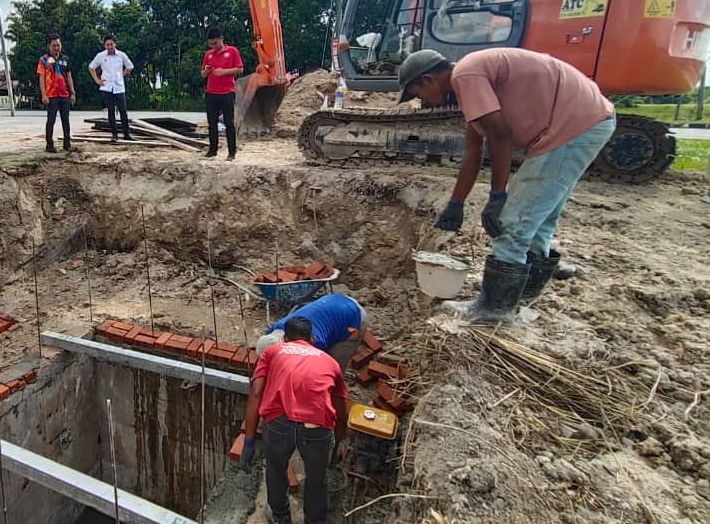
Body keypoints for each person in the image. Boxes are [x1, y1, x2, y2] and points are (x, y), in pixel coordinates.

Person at [398, 48, 616, 323]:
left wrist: (497, 196)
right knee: (539, 218)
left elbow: (500, 136)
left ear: (428, 80)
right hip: (585, 121)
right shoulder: (471, 87)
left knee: (514, 222)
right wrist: (456, 203)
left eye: (418, 95)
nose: (423, 102)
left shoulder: (467, 74)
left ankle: (493, 311)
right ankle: (521, 294)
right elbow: (473, 151)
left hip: (572, 126)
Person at [240, 317, 348, 524]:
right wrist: (339, 441)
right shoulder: (329, 361)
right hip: (317, 427)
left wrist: (248, 440)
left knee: (276, 469)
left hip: (279, 423)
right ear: (313, 339)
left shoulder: (273, 352)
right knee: (317, 480)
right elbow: (341, 408)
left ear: (286, 339)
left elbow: (256, 392)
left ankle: (281, 516)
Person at [256, 293, 366, 372]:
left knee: (333, 367)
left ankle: (334, 399)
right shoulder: (275, 329)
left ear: (286, 341)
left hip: (352, 316)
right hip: (333, 301)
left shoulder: (314, 343)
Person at [200, 27, 243, 161]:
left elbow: (240, 69)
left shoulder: (232, 51)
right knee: (211, 123)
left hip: (227, 92)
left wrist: (224, 72)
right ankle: (213, 150)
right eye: (211, 44)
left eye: (215, 43)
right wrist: (206, 71)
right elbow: (202, 74)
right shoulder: (208, 54)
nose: (213, 46)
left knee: (229, 123)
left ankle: (231, 152)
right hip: (211, 92)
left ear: (221, 39)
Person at [88, 35, 135, 142]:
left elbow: (130, 66)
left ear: (115, 44)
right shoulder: (101, 56)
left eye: (111, 44)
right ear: (105, 45)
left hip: (119, 86)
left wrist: (122, 75)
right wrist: (97, 80)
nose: (109, 47)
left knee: (123, 110)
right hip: (107, 86)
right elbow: (91, 67)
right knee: (111, 111)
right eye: (107, 45)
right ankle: (114, 134)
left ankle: (126, 133)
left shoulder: (121, 55)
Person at [37, 33, 76, 153]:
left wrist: (73, 92)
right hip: (51, 94)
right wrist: (44, 94)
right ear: (49, 46)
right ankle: (49, 144)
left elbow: (69, 76)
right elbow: (42, 78)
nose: (56, 48)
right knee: (51, 120)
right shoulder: (44, 60)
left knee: (66, 119)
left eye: (58, 45)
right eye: (54, 46)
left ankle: (67, 143)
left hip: (64, 93)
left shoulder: (65, 59)